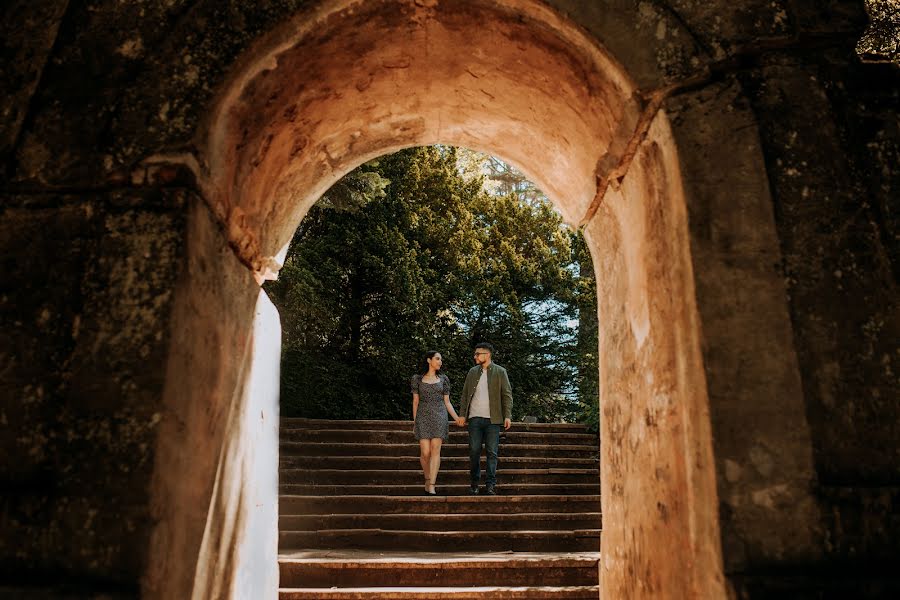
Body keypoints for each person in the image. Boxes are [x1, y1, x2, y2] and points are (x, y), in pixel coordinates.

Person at [459, 342, 512, 495]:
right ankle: (474, 483)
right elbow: (464, 394)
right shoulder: (472, 372)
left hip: (493, 420)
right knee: (474, 451)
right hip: (474, 418)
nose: (475, 356)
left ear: (487, 355)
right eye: (475, 354)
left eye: (478, 354)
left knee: (492, 453)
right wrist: (463, 414)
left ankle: (490, 485)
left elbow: (507, 395)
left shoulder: (500, 372)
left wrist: (507, 415)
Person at [411, 351, 464, 495]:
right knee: (425, 452)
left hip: (440, 416)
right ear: (429, 360)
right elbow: (415, 401)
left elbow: (447, 402)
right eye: (437, 359)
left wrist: (456, 418)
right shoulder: (417, 379)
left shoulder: (444, 379)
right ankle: (427, 479)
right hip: (423, 416)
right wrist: (415, 422)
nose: (440, 362)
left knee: (435, 450)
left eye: (441, 359)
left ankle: (432, 484)